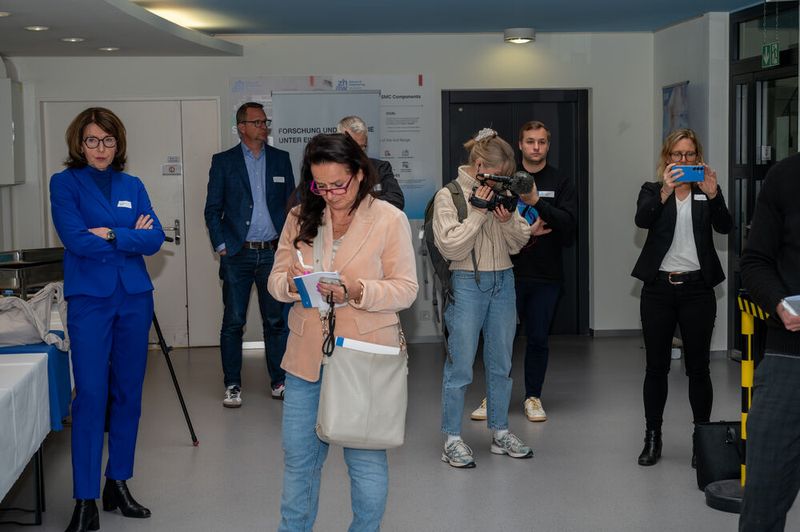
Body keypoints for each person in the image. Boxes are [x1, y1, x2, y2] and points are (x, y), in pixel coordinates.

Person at [267, 133, 417, 530]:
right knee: (299, 462)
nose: (331, 194)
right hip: (306, 359)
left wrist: (356, 290)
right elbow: (276, 279)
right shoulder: (300, 216)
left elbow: (406, 289)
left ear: (359, 173)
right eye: (321, 185)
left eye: (339, 184)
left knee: (365, 462)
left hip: (363, 357)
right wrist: (292, 283)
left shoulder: (389, 219)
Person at [49, 107, 165, 532]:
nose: (101, 148)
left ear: (119, 145)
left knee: (129, 395)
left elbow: (154, 240)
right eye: (93, 140)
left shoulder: (132, 184)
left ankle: (118, 481)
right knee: (91, 396)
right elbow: (74, 239)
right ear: (79, 144)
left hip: (135, 298)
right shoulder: (64, 184)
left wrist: (114, 234)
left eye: (109, 141)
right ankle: (85, 499)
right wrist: (128, 237)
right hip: (90, 301)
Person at [433, 127, 533, 468]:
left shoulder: (502, 193)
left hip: (504, 280)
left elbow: (520, 242)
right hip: (466, 282)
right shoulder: (450, 196)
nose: (504, 182)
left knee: (501, 364)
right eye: (499, 176)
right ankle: (452, 438)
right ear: (479, 166)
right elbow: (450, 246)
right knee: (460, 365)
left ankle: (500, 432)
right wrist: (478, 213)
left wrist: (505, 221)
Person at [631, 128, 732, 466]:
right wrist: (665, 191)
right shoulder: (652, 190)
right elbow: (642, 219)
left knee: (699, 369)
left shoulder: (707, 191)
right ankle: (653, 437)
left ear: (698, 158)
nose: (684, 160)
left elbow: (726, 228)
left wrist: (715, 194)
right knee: (655, 368)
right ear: (667, 158)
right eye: (677, 155)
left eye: (689, 155)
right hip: (659, 289)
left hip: (698, 290)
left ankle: (702, 439)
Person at [469, 120, 576, 423]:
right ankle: (494, 394)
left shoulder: (560, 180)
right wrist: (526, 231)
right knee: (498, 339)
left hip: (546, 276)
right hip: (506, 271)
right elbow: (488, 220)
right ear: (520, 144)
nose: (536, 147)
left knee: (539, 338)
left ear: (548, 145)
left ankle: (533, 397)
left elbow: (568, 226)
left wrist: (537, 202)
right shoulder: (504, 177)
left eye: (542, 142)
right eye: (530, 141)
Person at [204, 102, 296, 407]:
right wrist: (222, 246)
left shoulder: (281, 160)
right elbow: (212, 209)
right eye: (256, 122)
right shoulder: (224, 162)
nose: (263, 126)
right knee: (233, 321)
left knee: (276, 322)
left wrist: (290, 246)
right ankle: (232, 384)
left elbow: (291, 208)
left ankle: (279, 381)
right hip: (237, 255)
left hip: (272, 254)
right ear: (241, 127)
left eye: (265, 121)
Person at [739, 152, 800, 532]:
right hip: (788, 356)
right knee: (763, 496)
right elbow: (755, 260)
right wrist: (779, 304)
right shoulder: (787, 177)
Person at [337, 115, 405, 210]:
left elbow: (396, 200)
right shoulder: (331, 172)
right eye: (355, 146)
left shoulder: (380, 168)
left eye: (363, 147)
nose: (359, 152)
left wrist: (358, 205)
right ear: (341, 144)